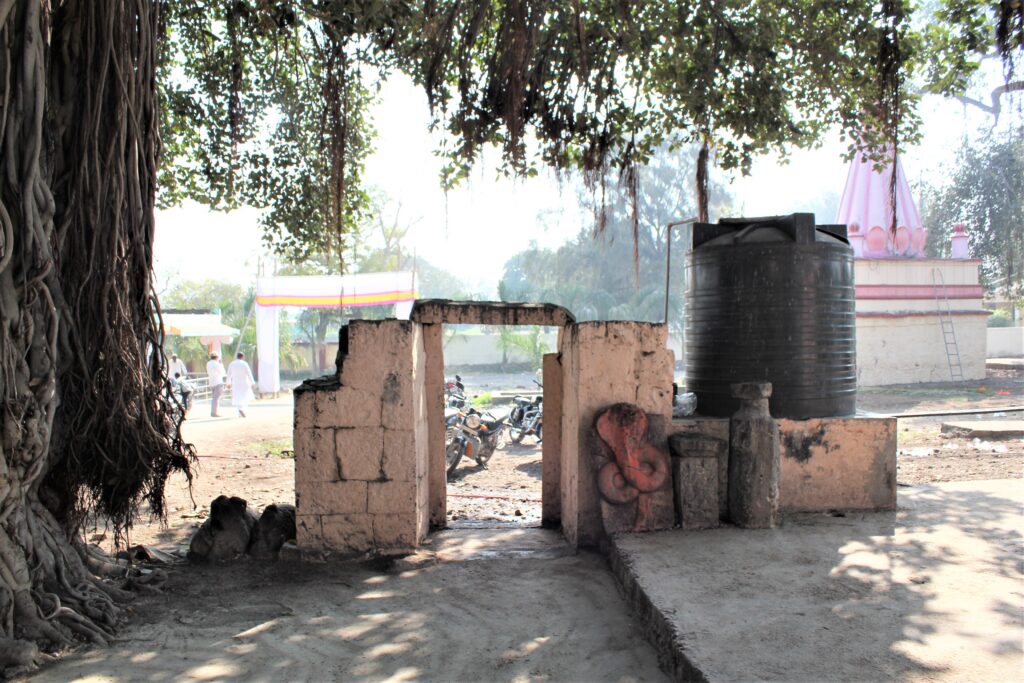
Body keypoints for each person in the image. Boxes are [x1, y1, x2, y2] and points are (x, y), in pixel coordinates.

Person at [227, 351, 256, 418]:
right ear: (242, 357)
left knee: (237, 397)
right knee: (245, 396)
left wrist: (228, 383)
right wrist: (252, 382)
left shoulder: (232, 364)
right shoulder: (244, 363)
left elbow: (229, 374)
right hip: (244, 383)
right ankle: (242, 409)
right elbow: (249, 373)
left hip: (235, 383)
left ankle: (240, 411)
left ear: (237, 356)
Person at [207, 352, 226, 417]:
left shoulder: (208, 363)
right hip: (218, 382)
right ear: (217, 357)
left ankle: (214, 411)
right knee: (216, 398)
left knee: (214, 398)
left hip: (212, 382)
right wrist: (221, 364)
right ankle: (214, 412)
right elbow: (223, 373)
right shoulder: (217, 364)